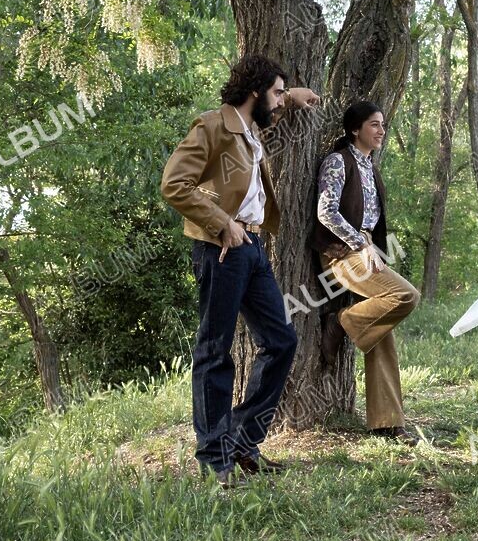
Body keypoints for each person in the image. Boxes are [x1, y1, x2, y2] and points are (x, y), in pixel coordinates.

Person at [161, 54, 320, 487]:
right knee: (215, 350)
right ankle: (215, 457)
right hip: (220, 247)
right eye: (277, 92)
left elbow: (274, 111)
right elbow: (174, 183)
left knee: (282, 340)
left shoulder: (252, 128)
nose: (281, 101)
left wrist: (296, 96)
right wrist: (221, 222)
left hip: (251, 246)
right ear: (256, 92)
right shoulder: (213, 125)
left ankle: (242, 440)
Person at [311, 101, 421, 445]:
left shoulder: (370, 165)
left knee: (382, 331)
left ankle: (387, 422)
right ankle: (344, 320)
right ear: (355, 129)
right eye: (374, 124)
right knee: (405, 295)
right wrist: (360, 243)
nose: (381, 130)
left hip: (367, 248)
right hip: (342, 253)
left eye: (383, 125)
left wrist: (371, 244)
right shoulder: (338, 161)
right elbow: (326, 212)